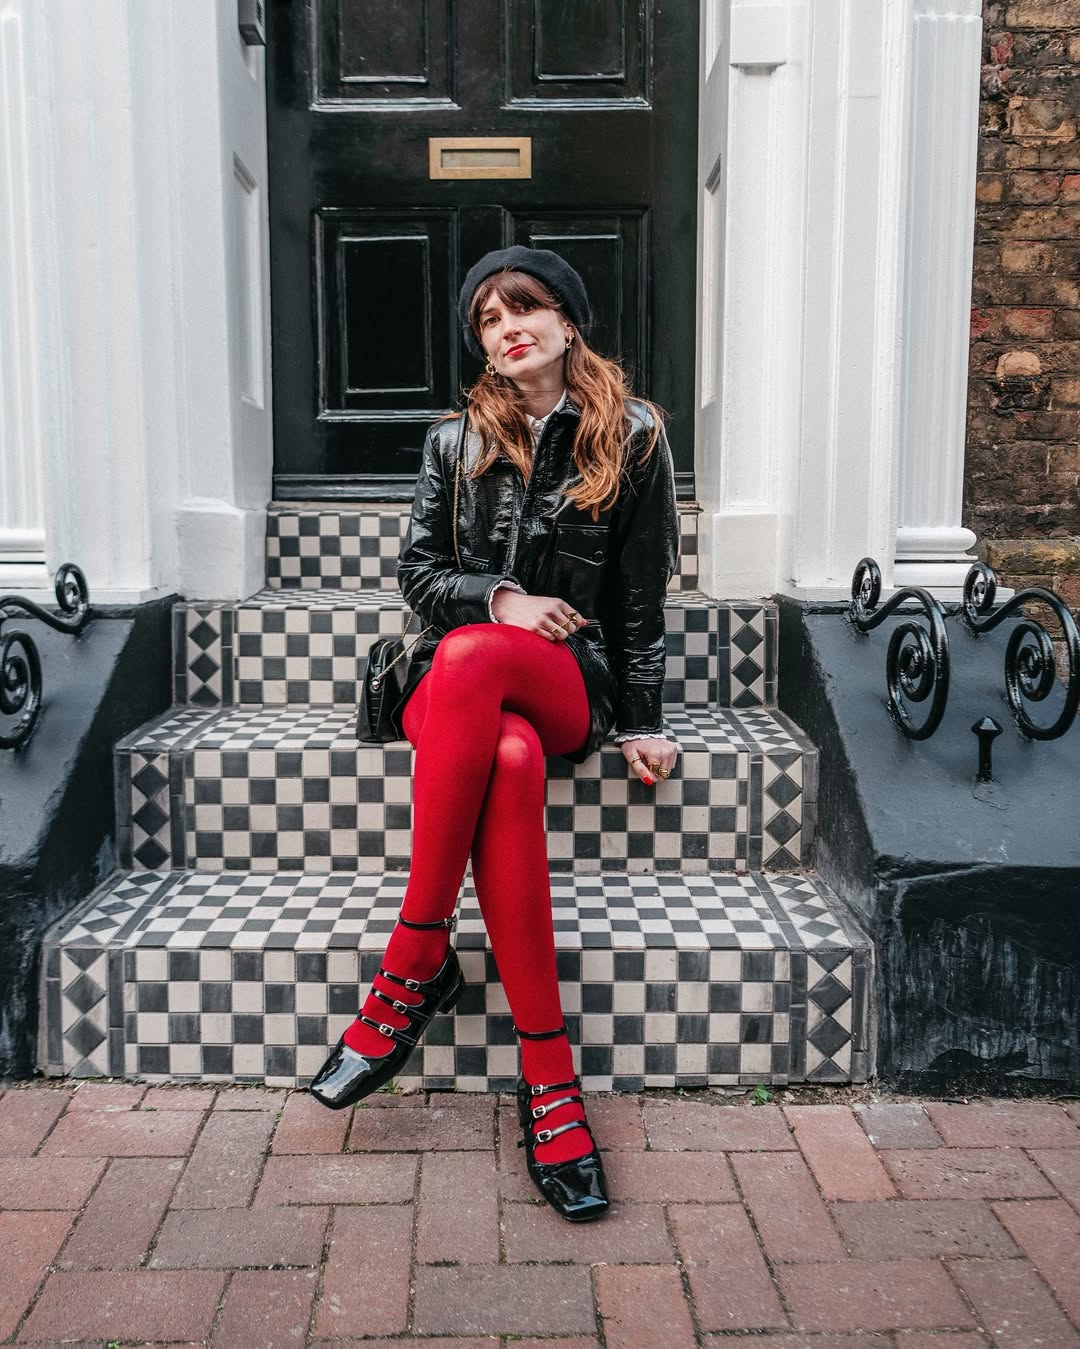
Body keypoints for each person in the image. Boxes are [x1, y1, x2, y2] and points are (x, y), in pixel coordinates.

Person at [311, 245, 679, 1222]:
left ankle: (414, 959)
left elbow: (640, 601)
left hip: (567, 680)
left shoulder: (632, 437)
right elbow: (420, 578)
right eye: (489, 319)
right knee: (496, 730)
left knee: (488, 673)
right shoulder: (454, 440)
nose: (508, 328)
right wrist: (503, 597)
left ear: (568, 322)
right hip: (450, 679)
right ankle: (552, 1081)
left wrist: (642, 719)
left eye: (527, 308)